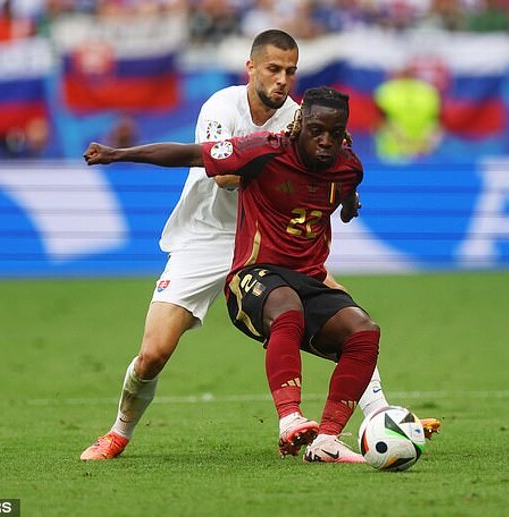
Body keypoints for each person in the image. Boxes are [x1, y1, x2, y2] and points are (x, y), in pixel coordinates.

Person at [79, 30, 428, 461]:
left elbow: (335, 171)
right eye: (273, 69)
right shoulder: (222, 107)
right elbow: (225, 175)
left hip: (269, 240)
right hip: (208, 236)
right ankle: (118, 432)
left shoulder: (304, 119)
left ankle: (379, 417)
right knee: (154, 352)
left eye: (290, 71)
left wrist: (335, 178)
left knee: (346, 312)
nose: (282, 80)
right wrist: (275, 157)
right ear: (251, 68)